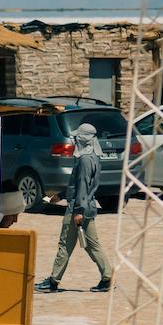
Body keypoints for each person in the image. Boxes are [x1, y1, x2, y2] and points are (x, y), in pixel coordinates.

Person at [38, 124, 110, 294]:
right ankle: (107, 277)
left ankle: (53, 281)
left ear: (84, 138)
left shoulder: (85, 160)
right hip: (88, 207)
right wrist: (62, 195)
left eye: (79, 137)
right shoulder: (93, 157)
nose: (76, 139)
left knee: (65, 244)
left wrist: (78, 210)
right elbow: (79, 186)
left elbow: (83, 186)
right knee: (93, 245)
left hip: (78, 209)